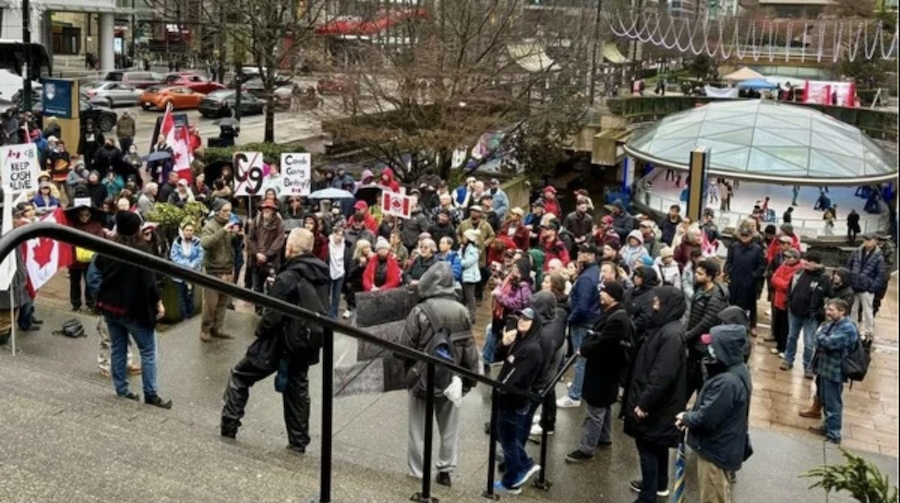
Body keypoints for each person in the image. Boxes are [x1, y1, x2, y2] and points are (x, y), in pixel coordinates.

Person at [221, 228, 329, 453]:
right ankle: (298, 443)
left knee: (240, 375)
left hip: (279, 343)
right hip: (305, 343)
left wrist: (260, 332)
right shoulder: (321, 274)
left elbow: (272, 317)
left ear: (291, 248)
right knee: (297, 390)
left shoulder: (288, 276)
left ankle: (229, 426)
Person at [398, 262, 478, 487]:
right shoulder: (461, 310)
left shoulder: (419, 310)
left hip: (422, 376)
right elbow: (469, 347)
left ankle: (417, 472)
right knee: (449, 427)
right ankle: (445, 469)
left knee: (417, 429)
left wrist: (409, 373)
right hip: (451, 377)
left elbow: (405, 345)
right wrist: (469, 379)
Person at [88, 211, 172, 408]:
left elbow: (96, 269)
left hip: (110, 306)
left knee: (118, 347)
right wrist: (158, 301)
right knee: (148, 351)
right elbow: (149, 280)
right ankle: (150, 394)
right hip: (134, 309)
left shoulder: (108, 247)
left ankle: (122, 390)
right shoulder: (140, 249)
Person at [624, 286, 687, 502]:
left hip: (657, 405)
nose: (654, 305)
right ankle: (659, 484)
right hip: (660, 404)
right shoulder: (668, 329)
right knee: (656, 445)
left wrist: (644, 404)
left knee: (647, 446)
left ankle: (647, 496)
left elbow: (662, 376)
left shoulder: (671, 335)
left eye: (658, 302)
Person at [676, 325, 752, 503]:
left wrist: (686, 417)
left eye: (713, 346)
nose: (709, 350)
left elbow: (708, 417)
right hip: (723, 447)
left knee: (712, 498)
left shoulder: (727, 382)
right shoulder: (737, 371)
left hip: (715, 452)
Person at [565, 281, 632, 463]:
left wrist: (584, 350)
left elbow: (605, 344)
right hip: (604, 370)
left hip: (604, 371)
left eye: (604, 292)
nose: (600, 294)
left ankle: (586, 449)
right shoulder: (612, 314)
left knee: (595, 409)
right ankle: (604, 437)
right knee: (604, 405)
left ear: (613, 296)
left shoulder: (618, 319)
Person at [493, 308, 544, 495]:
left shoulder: (532, 349)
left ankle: (512, 480)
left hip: (512, 400)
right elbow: (496, 357)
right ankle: (524, 467)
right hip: (508, 398)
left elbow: (518, 377)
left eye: (527, 319)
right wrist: (503, 343)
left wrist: (500, 388)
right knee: (509, 439)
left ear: (534, 324)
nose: (522, 321)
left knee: (508, 441)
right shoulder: (519, 341)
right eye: (521, 317)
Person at [807, 299, 859, 445]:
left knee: (833, 403)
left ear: (842, 311)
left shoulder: (848, 328)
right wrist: (821, 336)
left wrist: (819, 335)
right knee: (824, 399)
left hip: (834, 371)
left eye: (831, 310)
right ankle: (827, 426)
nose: (827, 312)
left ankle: (834, 434)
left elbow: (830, 342)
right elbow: (823, 336)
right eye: (827, 309)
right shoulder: (833, 324)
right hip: (824, 368)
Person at [557, 243, 601, 409]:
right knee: (584, 360)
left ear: (592, 256)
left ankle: (575, 396)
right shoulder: (595, 271)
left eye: (585, 252)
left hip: (583, 322)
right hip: (591, 320)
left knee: (580, 360)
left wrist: (571, 319)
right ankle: (579, 386)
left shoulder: (587, 277)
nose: (580, 254)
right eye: (580, 251)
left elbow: (582, 306)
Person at [782, 253, 832, 378]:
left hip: (811, 316)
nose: (806, 264)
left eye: (810, 262)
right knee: (791, 337)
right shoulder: (799, 273)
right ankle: (788, 360)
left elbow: (829, 295)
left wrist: (817, 312)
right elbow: (790, 289)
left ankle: (808, 366)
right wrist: (789, 302)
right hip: (795, 312)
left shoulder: (824, 279)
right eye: (806, 261)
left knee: (809, 343)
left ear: (817, 264)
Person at [683, 259, 728, 399]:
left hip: (703, 345)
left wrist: (687, 336)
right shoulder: (700, 288)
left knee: (701, 382)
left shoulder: (716, 298)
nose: (696, 275)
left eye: (700, 273)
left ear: (710, 277)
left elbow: (705, 323)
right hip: (693, 343)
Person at [200, 199, 239, 342]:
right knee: (211, 303)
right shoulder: (209, 226)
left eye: (230, 211)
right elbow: (205, 244)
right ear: (217, 211)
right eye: (225, 211)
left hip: (228, 268)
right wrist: (223, 231)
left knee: (223, 302)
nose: (229, 214)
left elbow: (230, 246)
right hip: (213, 270)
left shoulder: (229, 225)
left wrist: (237, 236)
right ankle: (205, 329)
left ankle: (218, 327)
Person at [725, 225, 765, 336]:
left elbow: (761, 266)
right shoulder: (734, 246)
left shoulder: (757, 249)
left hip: (749, 283)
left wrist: (754, 275)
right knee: (732, 303)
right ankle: (731, 323)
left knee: (751, 305)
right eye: (742, 235)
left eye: (747, 235)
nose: (744, 237)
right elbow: (729, 261)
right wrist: (730, 271)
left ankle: (752, 325)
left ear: (751, 236)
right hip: (735, 281)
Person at [247, 200, 286, 313]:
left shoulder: (279, 223)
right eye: (265, 208)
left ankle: (268, 314)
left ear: (274, 211)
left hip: (271, 262)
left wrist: (267, 254)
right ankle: (258, 312)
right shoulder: (257, 220)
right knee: (257, 289)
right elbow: (251, 238)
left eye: (269, 209)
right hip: (256, 261)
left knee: (271, 290)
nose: (266, 211)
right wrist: (257, 253)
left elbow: (279, 241)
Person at [846, 234, 885, 339]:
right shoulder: (857, 252)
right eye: (865, 240)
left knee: (867, 311)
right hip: (854, 286)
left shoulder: (879, 257)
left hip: (867, 288)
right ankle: (852, 330)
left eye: (869, 240)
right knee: (853, 310)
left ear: (875, 241)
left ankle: (869, 333)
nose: (867, 242)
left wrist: (871, 287)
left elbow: (880, 275)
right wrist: (850, 280)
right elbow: (849, 265)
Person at [770, 249, 802, 358]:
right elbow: (774, 279)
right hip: (778, 300)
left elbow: (788, 285)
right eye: (786, 257)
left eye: (789, 257)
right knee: (778, 324)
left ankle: (784, 348)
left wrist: (780, 283)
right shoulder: (783, 266)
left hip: (787, 302)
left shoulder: (798, 270)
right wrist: (781, 283)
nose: (786, 259)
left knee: (786, 327)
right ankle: (779, 345)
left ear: (796, 259)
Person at [170, 219, 204, 319]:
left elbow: (200, 256)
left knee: (190, 295)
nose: (189, 232)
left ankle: (191, 315)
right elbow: (174, 256)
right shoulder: (177, 242)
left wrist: (193, 264)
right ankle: (183, 316)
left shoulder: (198, 242)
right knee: (181, 297)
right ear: (183, 231)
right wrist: (186, 265)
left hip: (192, 273)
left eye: (191, 230)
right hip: (179, 274)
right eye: (187, 230)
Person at [326, 224, 352, 319]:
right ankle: (327, 314)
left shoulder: (345, 247)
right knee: (327, 295)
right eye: (337, 234)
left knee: (336, 297)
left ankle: (334, 316)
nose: (339, 237)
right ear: (333, 234)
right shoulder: (328, 245)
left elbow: (347, 260)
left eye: (341, 235)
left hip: (340, 273)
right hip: (329, 272)